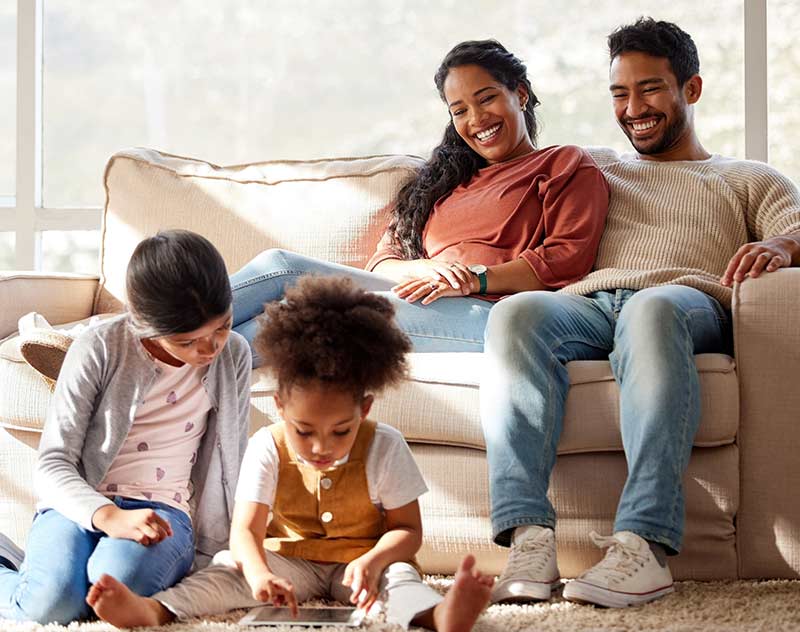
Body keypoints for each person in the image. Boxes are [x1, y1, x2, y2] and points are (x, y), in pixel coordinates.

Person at [483, 17, 800, 609]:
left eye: (650, 89)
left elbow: (796, 225)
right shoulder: (596, 167)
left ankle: (643, 547)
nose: (633, 108)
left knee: (652, 310)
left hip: (684, 302)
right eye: (620, 94)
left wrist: (782, 245)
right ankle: (529, 541)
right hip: (592, 305)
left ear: (692, 89)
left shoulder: (746, 177)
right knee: (518, 314)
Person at [86, 276, 494, 632]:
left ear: (364, 411)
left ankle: (439, 617)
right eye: (303, 431)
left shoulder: (384, 445)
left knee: (400, 579)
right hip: (289, 563)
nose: (321, 446)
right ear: (280, 408)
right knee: (228, 569)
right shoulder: (267, 445)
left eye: (341, 431)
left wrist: (372, 562)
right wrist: (260, 572)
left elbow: (408, 531)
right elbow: (245, 531)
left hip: (361, 563)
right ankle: (154, 610)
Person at [230, 39, 608, 363]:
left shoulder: (563, 163)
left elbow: (565, 260)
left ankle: (179, 374)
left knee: (302, 321)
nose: (476, 119)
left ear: (520, 94)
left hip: (491, 314)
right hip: (419, 297)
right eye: (459, 110)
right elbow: (385, 260)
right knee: (277, 266)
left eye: (486, 98)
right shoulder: (444, 181)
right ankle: (173, 341)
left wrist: (472, 280)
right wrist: (423, 269)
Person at [0, 230, 252, 624]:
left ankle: (42, 573)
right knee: (51, 605)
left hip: (162, 511)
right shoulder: (100, 346)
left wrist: (220, 551)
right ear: (145, 324)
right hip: (78, 505)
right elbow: (52, 464)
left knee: (114, 587)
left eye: (222, 326)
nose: (210, 349)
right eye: (188, 342)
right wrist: (107, 515)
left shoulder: (233, 353)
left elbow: (231, 458)